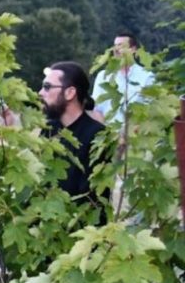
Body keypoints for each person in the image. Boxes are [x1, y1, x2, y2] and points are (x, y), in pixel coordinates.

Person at [40, 61, 108, 205]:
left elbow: (92, 199)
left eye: (47, 87)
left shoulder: (97, 135)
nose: (41, 93)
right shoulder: (48, 129)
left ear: (70, 92)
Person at [91, 31, 154, 125]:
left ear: (133, 49)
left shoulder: (146, 77)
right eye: (115, 46)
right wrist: (106, 131)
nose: (116, 49)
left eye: (121, 46)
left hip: (135, 131)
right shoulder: (103, 76)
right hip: (108, 130)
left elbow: (150, 110)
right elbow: (96, 109)